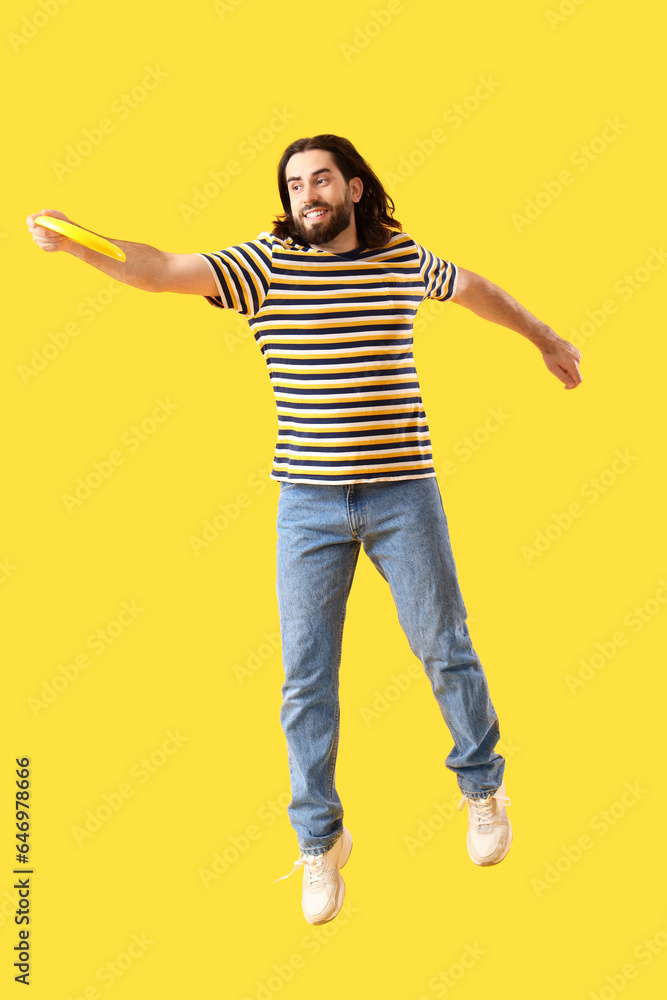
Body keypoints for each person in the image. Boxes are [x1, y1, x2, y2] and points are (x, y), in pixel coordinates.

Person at [27, 132, 582, 928]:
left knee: (443, 645)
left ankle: (480, 787)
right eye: (295, 185)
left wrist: (545, 338)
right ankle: (321, 843)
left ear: (353, 188)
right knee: (306, 680)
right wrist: (81, 241)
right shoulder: (263, 267)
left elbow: (475, 288)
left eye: (322, 179)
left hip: (403, 493)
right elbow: (158, 268)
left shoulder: (399, 256)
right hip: (309, 504)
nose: (308, 195)